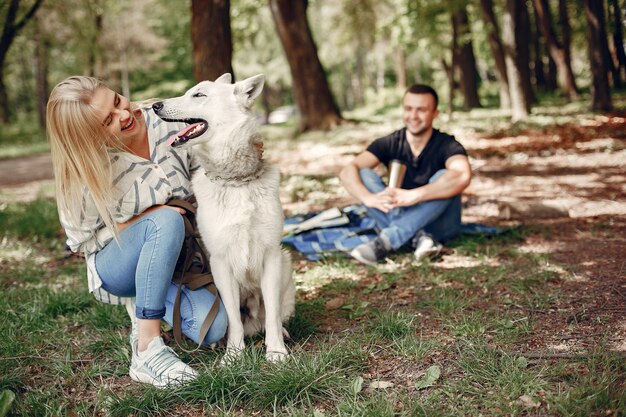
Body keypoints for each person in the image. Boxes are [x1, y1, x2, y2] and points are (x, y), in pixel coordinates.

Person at [46, 76, 229, 388]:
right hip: (117, 265)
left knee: (212, 329)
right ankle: (147, 349)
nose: (124, 115)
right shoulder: (83, 172)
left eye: (118, 101)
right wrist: (149, 219)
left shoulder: (168, 118)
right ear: (88, 137)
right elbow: (81, 244)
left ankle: (152, 297)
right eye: (107, 121)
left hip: (181, 256)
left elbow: (214, 153)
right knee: (165, 222)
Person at [339, 84, 472, 265]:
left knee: (445, 176)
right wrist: (368, 198)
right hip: (400, 213)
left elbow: (462, 175)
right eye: (408, 109)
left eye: (421, 110)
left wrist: (415, 195)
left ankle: (387, 241)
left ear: (435, 113)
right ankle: (420, 239)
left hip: (441, 225)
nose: (413, 116)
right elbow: (348, 170)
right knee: (363, 174)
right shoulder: (390, 142)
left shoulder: (447, 145)